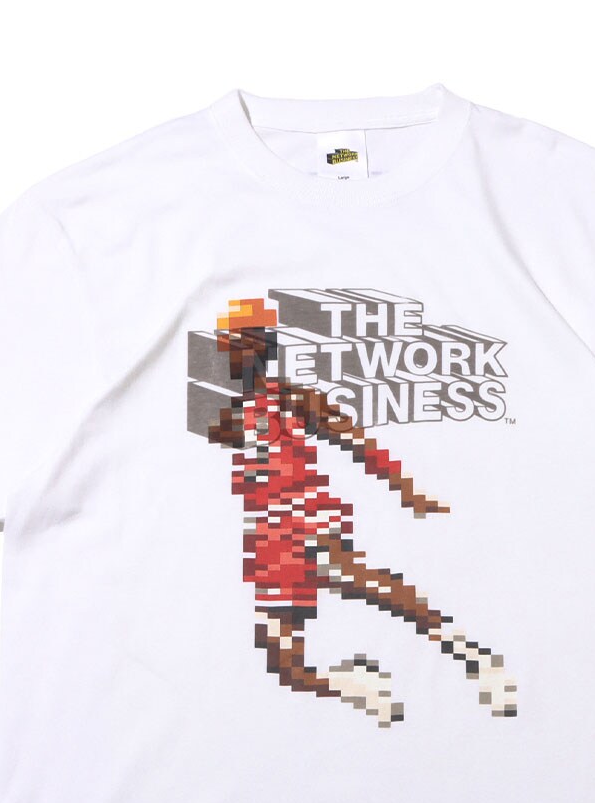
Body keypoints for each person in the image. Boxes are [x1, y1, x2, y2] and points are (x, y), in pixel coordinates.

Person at [208, 297, 517, 728]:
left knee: (381, 592)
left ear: (261, 344)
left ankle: (476, 660)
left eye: (237, 342)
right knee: (283, 666)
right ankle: (355, 684)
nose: (228, 353)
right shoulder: (229, 418)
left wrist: (406, 489)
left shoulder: (294, 399)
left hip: (307, 523)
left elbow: (357, 442)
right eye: (225, 344)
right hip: (267, 543)